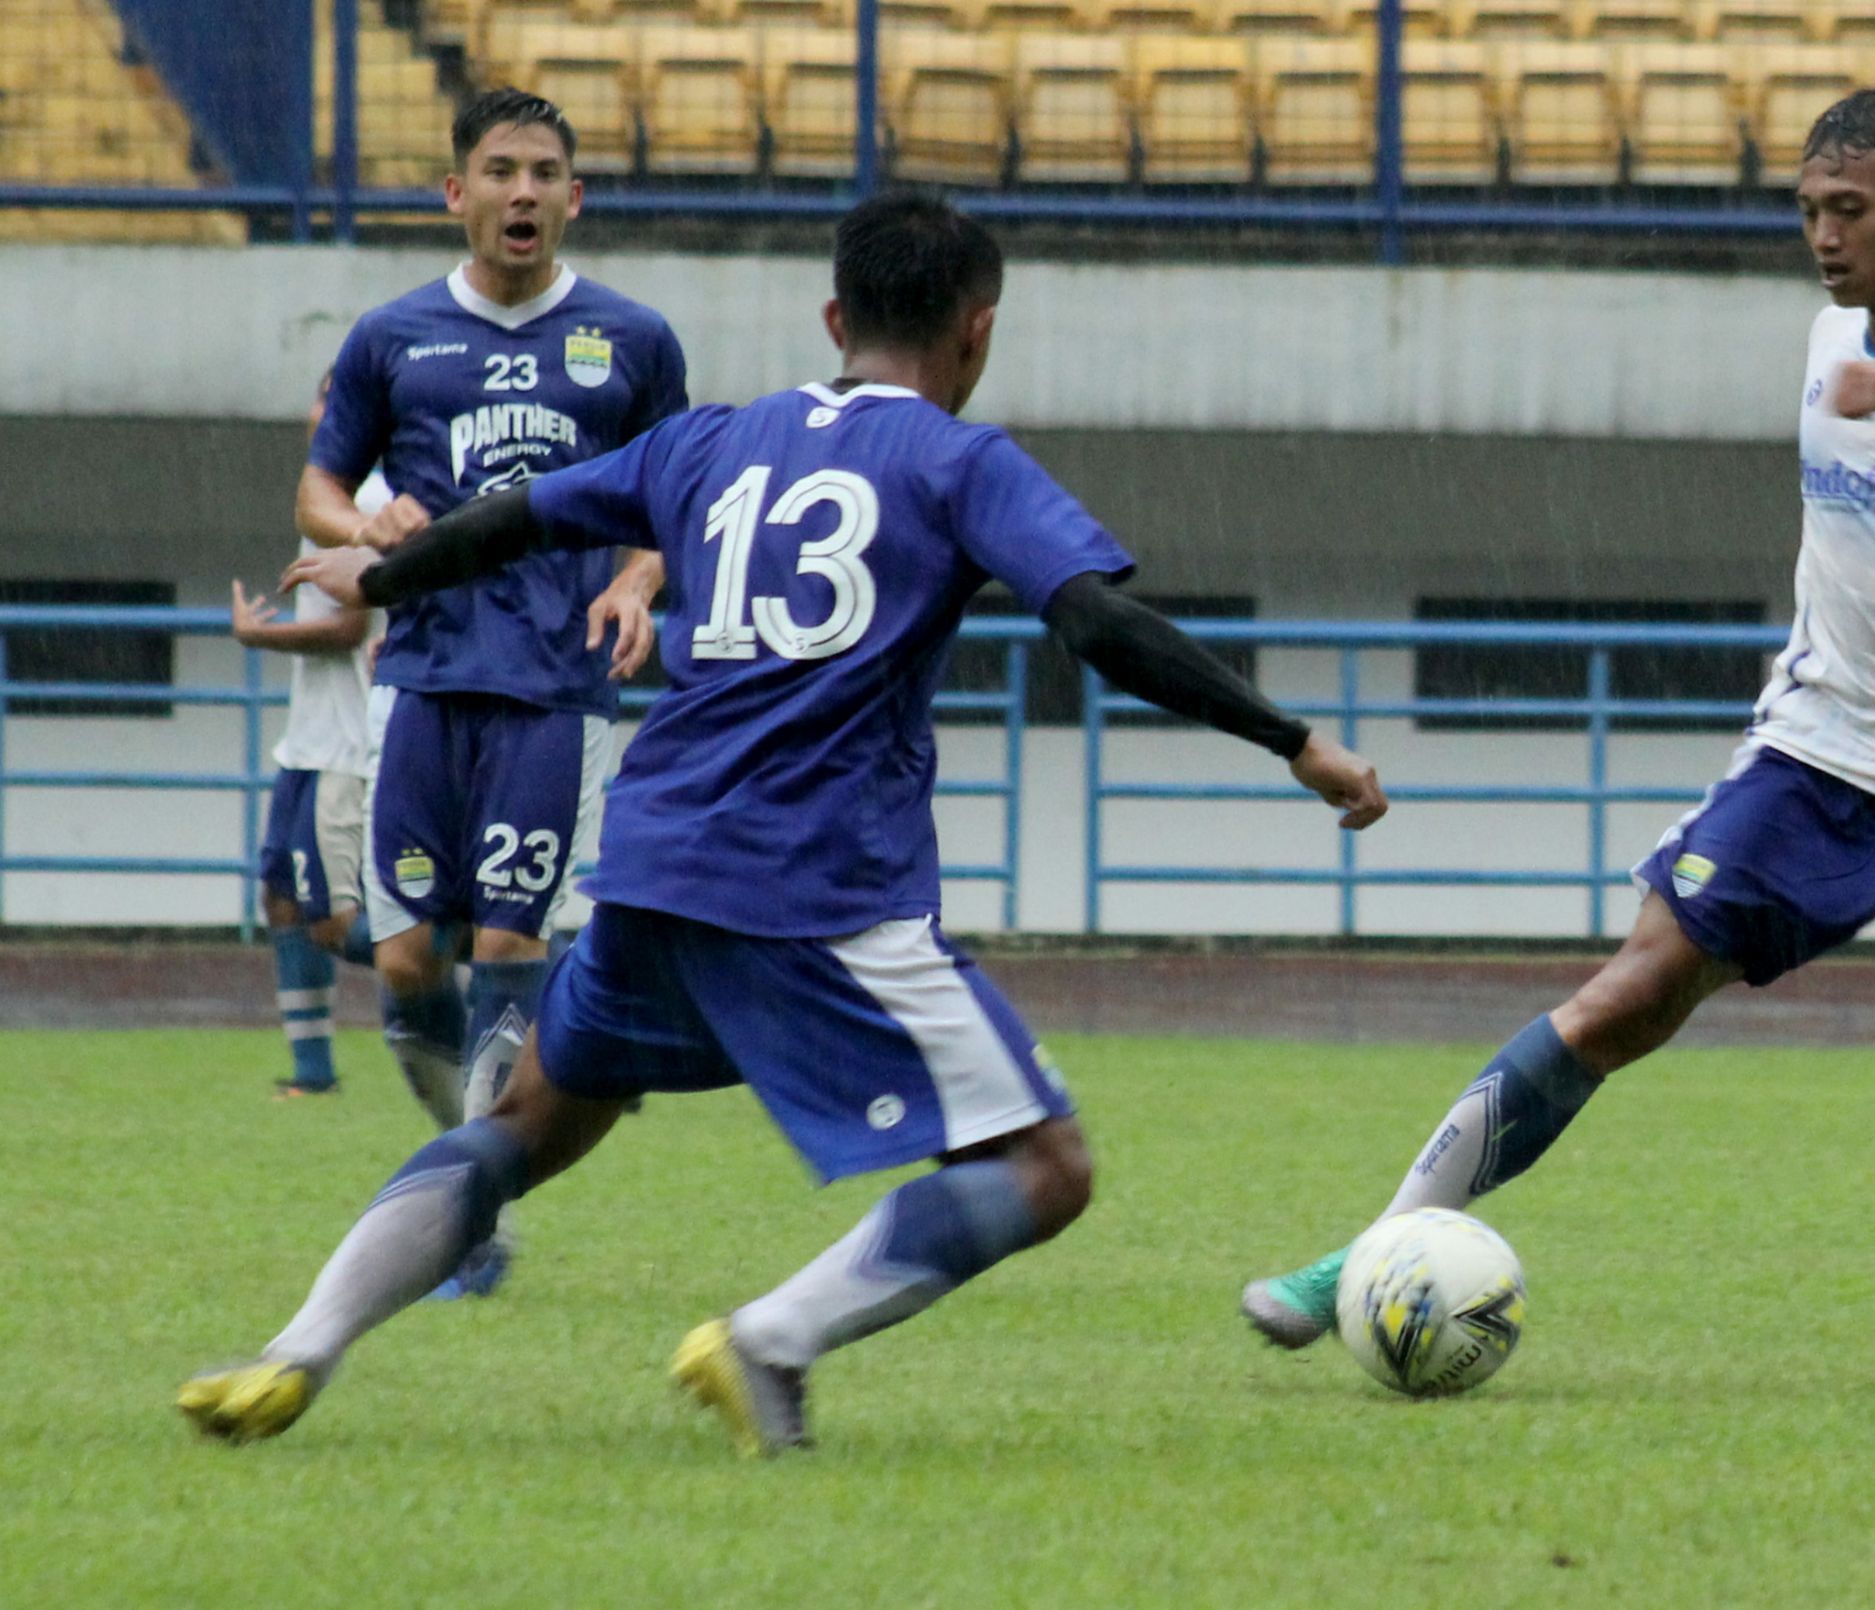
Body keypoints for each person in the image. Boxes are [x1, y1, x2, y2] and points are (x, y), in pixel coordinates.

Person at [177, 192, 1389, 1455]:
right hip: (815, 882)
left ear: (833, 315)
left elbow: (516, 516)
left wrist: (378, 575)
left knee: (524, 1126)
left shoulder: (707, 442)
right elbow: (1095, 623)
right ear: (977, 332)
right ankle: (768, 1340)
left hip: (652, 862)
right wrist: (1295, 742)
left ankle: (294, 1348)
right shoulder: (958, 460)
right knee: (1046, 1166)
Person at [1241, 88, 1875, 1398]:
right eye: (1808, 212)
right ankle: (1370, 1249)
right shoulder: (1825, 336)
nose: (1823, 239)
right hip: (1815, 762)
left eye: (1850, 211)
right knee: (1626, 995)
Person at [297, 88, 687, 1294]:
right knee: (406, 964)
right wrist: (367, 516)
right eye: (501, 170)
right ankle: (485, 1139)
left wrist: (634, 585)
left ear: (576, 197)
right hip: (418, 678)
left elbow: (674, 500)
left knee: (512, 936)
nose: (524, 192)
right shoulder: (390, 338)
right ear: (454, 192)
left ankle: (467, 1207)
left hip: (555, 690)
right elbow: (317, 490)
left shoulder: (631, 340)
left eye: (546, 173)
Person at [238, 380, 385, 1098]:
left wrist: (258, 634)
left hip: (349, 751)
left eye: (337, 399)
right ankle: (312, 1073)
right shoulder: (330, 495)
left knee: (334, 921)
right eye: (320, 397)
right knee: (281, 898)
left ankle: (527, 975)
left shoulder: (370, 502)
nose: (321, 413)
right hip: (307, 743)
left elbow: (351, 626)